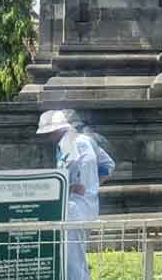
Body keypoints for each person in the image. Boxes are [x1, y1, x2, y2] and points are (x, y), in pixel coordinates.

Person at [37, 110, 102, 280]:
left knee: (73, 262)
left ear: (56, 130)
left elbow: (67, 176)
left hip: (73, 208)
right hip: (89, 206)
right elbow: (108, 166)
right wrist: (92, 184)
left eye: (49, 133)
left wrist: (73, 186)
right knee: (78, 259)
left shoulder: (67, 142)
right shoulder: (87, 140)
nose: (49, 137)